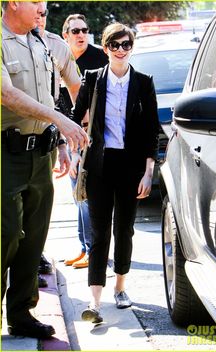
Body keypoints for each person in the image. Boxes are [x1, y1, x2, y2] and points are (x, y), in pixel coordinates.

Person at [1, 1, 88, 339]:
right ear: (13, 4)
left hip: (42, 154)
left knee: (34, 237)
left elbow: (54, 95)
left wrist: (63, 143)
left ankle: (21, 312)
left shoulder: (41, 43)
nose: (42, 9)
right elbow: (6, 94)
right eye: (36, 2)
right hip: (5, 153)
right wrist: (60, 120)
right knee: (6, 232)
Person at [73, 22, 159, 323]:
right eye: (115, 45)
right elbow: (75, 118)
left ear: (131, 47)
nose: (121, 50)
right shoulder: (93, 79)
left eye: (126, 45)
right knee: (99, 233)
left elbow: (151, 131)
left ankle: (120, 286)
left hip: (131, 167)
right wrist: (73, 152)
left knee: (124, 228)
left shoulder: (144, 82)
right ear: (106, 48)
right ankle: (93, 301)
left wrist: (148, 172)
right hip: (100, 165)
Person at [36, 4, 81, 285]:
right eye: (35, 11)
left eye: (43, 13)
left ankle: (34, 254)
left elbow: (71, 93)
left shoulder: (55, 46)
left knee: (39, 205)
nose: (39, 18)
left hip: (44, 141)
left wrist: (69, 142)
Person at [61, 13, 109, 269]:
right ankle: (83, 247)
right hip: (68, 134)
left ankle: (94, 251)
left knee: (88, 194)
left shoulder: (99, 58)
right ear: (65, 35)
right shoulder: (61, 58)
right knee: (77, 195)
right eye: (75, 31)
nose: (81, 35)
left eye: (84, 30)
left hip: (91, 136)